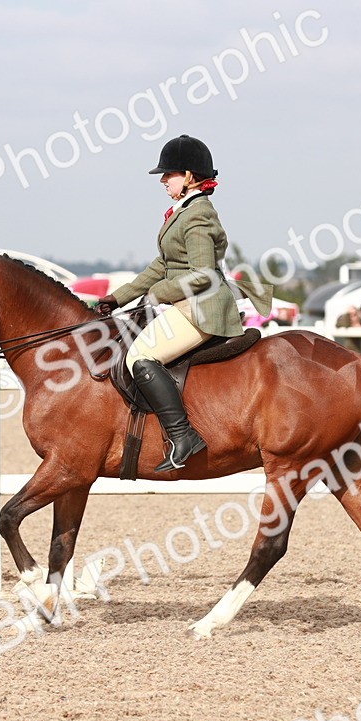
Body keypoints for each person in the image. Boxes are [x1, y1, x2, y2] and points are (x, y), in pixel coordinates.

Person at [97, 135, 272, 471]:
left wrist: (158, 294)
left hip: (203, 308)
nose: (163, 179)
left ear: (190, 176)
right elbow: (162, 267)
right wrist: (117, 298)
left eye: (170, 173)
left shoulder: (198, 215)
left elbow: (203, 275)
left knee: (141, 356)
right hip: (186, 305)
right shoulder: (183, 212)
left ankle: (182, 436)